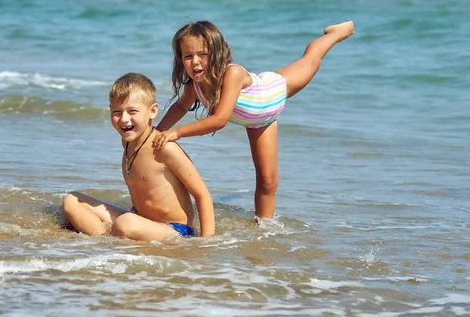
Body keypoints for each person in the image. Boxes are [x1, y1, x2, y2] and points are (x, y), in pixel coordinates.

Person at [152, 20, 354, 219]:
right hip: (259, 121)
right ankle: (264, 228)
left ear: (217, 52)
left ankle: (335, 33)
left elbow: (219, 119)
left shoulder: (233, 73)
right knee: (267, 180)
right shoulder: (193, 87)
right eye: (188, 56)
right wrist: (156, 131)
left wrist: (176, 133)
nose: (195, 62)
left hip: (272, 91)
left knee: (311, 59)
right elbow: (180, 107)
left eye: (202, 55)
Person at [62, 72, 215, 240]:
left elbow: (202, 195)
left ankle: (104, 232)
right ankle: (105, 235)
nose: (124, 119)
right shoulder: (127, 142)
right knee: (71, 200)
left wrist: (207, 243)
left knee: (125, 223)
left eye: (132, 111)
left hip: (174, 230)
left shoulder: (165, 148)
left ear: (153, 111)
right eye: (117, 112)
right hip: (140, 221)